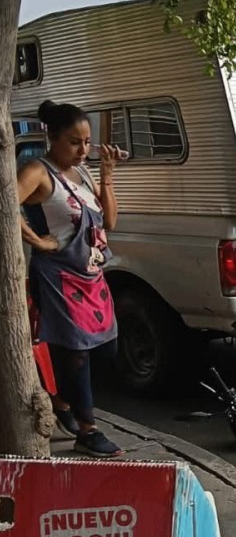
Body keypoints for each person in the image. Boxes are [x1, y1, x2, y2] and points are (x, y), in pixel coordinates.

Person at [17, 100, 126, 458]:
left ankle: (62, 401)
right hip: (59, 277)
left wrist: (106, 174)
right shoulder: (38, 171)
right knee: (76, 353)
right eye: (74, 142)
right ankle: (87, 431)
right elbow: (4, 202)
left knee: (107, 348)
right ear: (53, 138)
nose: (83, 150)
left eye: (87, 142)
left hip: (92, 276)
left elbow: (109, 221)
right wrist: (36, 240)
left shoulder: (84, 173)